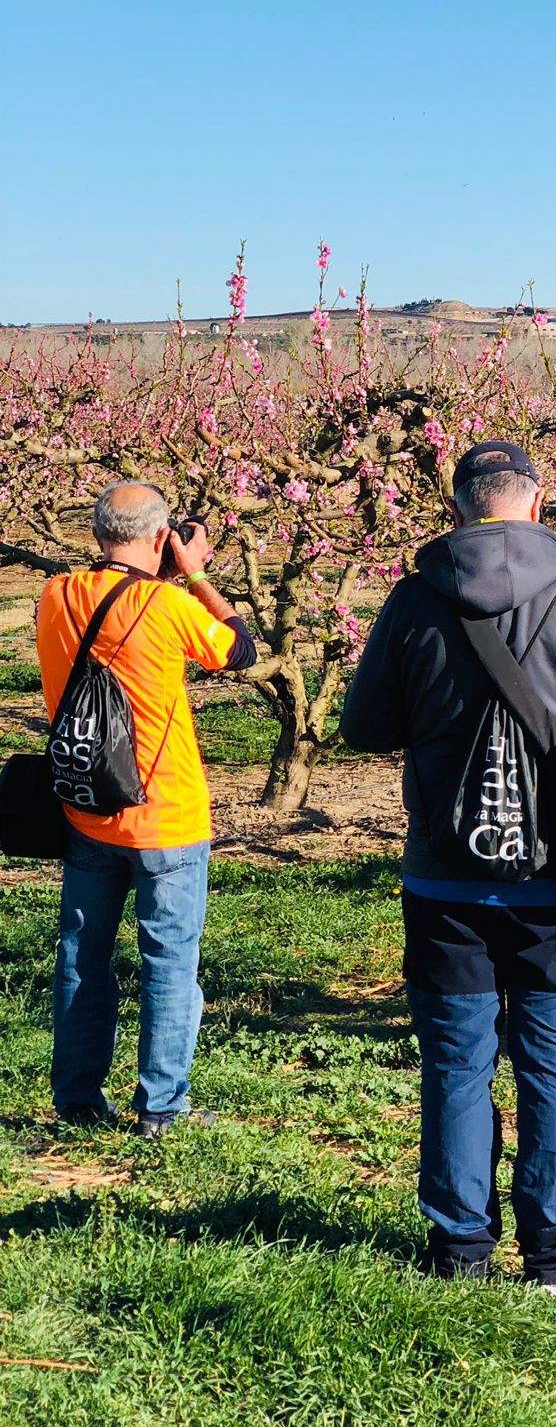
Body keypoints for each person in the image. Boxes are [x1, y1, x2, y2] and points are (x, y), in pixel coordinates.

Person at [340, 440, 556, 1288]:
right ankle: (554, 1257)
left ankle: (460, 1252)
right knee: (553, 1061)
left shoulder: (415, 601)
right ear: (537, 498)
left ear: (457, 506)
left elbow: (366, 726)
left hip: (446, 874)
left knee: (456, 1061)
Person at [36, 483, 259, 1137]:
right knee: (170, 962)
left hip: (87, 810)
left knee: (82, 955)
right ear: (161, 538)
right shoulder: (168, 604)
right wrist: (194, 573)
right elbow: (236, 648)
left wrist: (160, 568)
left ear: (97, 531)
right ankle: (160, 1107)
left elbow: (109, 603)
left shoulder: (56, 594)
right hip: (167, 817)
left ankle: (77, 1097)